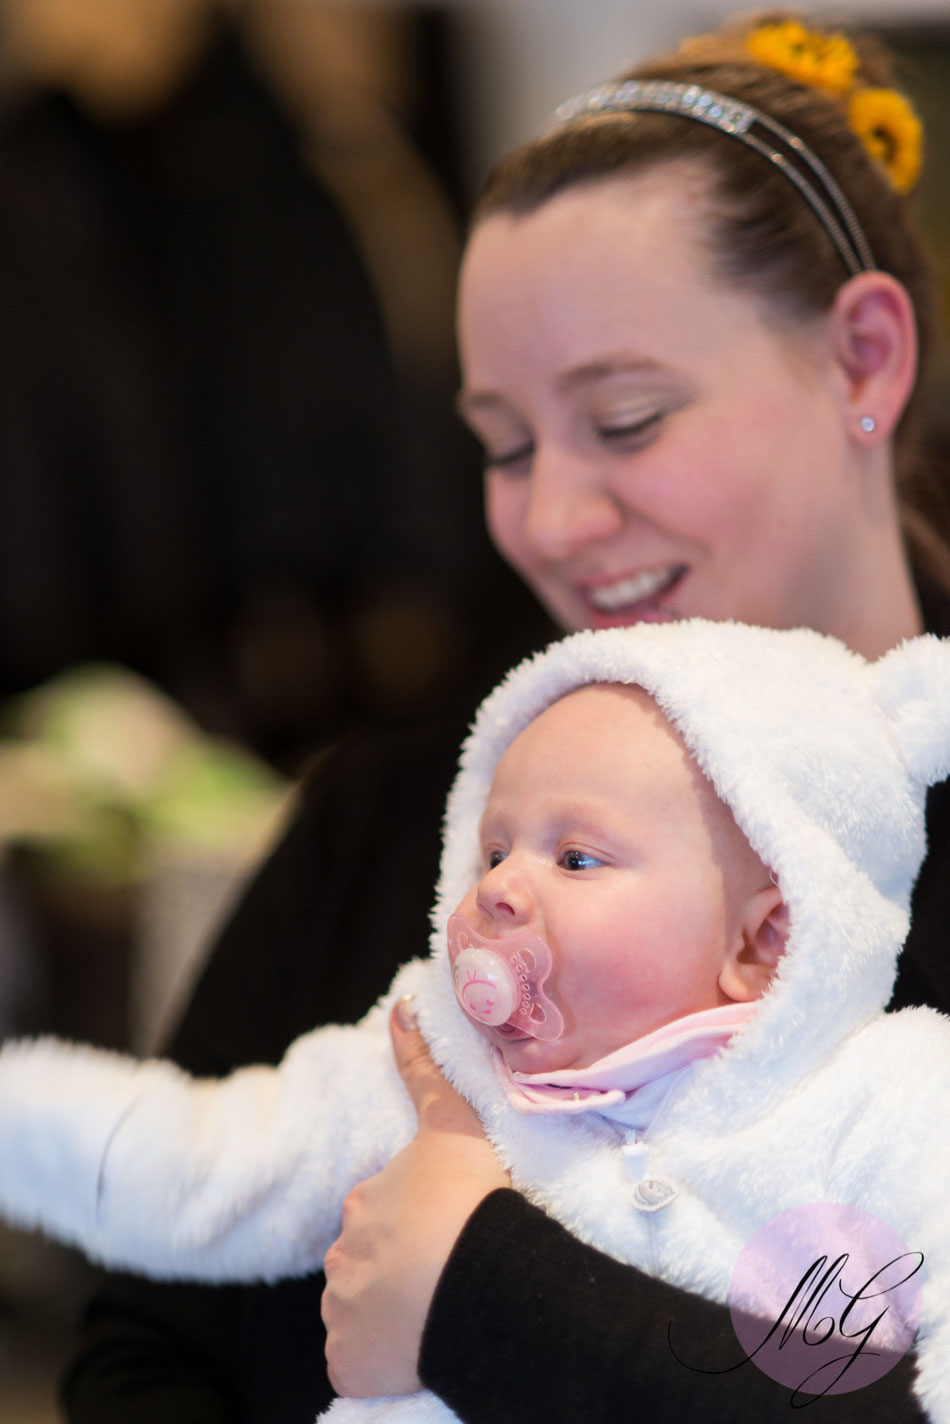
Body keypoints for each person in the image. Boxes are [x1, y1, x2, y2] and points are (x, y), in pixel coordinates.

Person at [59, 11, 950, 1423]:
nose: (549, 519)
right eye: (502, 444)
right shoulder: (380, 825)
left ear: (859, 359)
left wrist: (477, 1285)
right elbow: (145, 1348)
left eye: (627, 419)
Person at [4, 617, 950, 1421]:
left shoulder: (888, 1105)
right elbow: (207, 1166)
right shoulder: (432, 1057)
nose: (497, 889)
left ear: (764, 942)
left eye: (576, 859)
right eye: (494, 849)